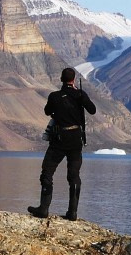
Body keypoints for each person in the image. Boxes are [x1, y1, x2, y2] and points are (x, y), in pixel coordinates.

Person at [28, 67, 97, 221]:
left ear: (61, 79)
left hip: (59, 140)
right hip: (76, 140)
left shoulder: (54, 96)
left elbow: (47, 111)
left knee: (47, 172)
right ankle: (72, 213)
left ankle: (43, 209)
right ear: (73, 80)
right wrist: (81, 96)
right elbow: (92, 110)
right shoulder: (80, 94)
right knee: (74, 175)